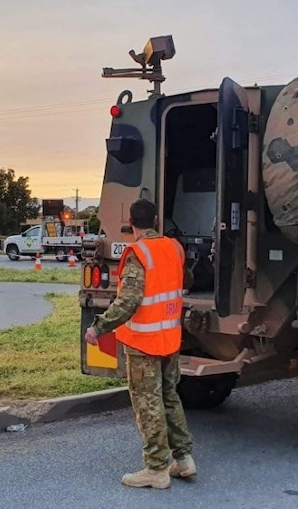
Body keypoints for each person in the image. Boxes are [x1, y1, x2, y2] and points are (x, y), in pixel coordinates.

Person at [84, 198, 195, 490]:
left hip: (144, 342)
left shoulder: (138, 253)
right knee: (170, 397)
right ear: (157, 220)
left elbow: (129, 301)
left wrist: (99, 327)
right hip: (169, 338)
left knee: (148, 404)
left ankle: (156, 469)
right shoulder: (174, 248)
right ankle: (183, 459)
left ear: (130, 223)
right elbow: (188, 279)